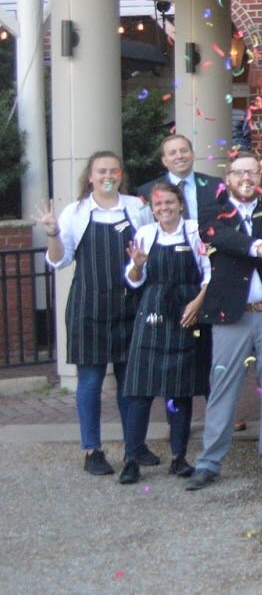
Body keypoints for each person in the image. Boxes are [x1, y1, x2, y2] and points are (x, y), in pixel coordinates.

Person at [186, 152, 262, 489]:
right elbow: (217, 235)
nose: (246, 178)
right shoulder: (212, 208)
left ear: (259, 177)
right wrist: (257, 245)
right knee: (222, 389)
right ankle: (209, 462)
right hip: (230, 316)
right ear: (228, 177)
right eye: (239, 173)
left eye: (252, 172)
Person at [40, 151, 152, 477]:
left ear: (120, 174)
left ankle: (134, 447)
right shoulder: (74, 212)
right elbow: (60, 260)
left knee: (130, 383)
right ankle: (92, 449)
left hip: (130, 305)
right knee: (90, 381)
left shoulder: (137, 208)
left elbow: (148, 252)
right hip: (88, 306)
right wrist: (51, 234)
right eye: (100, 170)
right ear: (90, 176)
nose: (107, 175)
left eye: (113, 170)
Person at [118, 182, 209, 483]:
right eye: (158, 205)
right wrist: (137, 266)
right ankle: (131, 459)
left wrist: (197, 303)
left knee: (180, 392)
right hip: (152, 312)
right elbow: (133, 280)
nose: (163, 208)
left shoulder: (195, 231)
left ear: (180, 204)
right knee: (140, 392)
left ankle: (179, 458)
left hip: (185, 312)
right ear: (153, 209)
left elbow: (209, 273)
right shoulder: (145, 234)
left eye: (169, 203)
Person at [138, 133, 223, 227]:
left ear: (193, 155)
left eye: (184, 151)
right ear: (164, 161)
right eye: (172, 153)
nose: (179, 156)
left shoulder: (215, 185)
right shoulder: (147, 191)